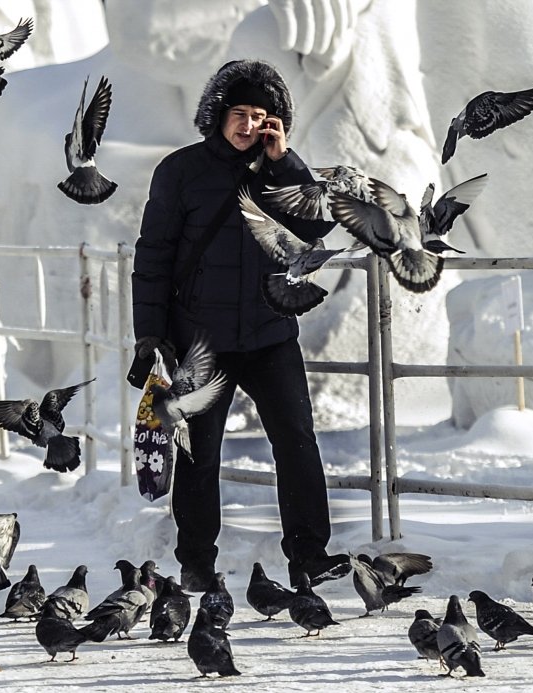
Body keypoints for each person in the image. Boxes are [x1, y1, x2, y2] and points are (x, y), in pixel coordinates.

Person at [131, 59, 350, 590]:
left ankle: (307, 556)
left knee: (297, 442)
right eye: (239, 113)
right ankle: (197, 563)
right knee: (199, 454)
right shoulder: (180, 171)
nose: (248, 125)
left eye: (260, 116)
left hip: (269, 334)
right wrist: (149, 335)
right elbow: (154, 254)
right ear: (218, 114)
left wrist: (286, 162)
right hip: (201, 339)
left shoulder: (280, 172)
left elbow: (316, 226)